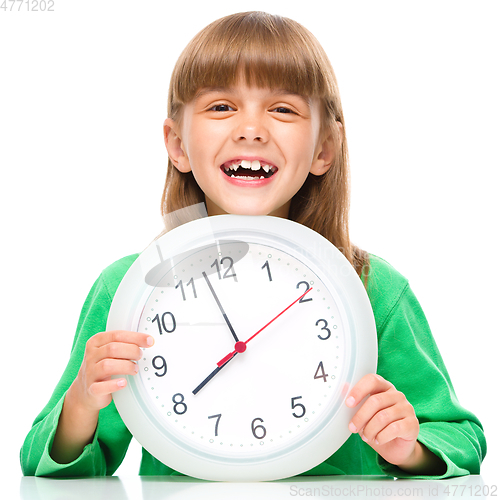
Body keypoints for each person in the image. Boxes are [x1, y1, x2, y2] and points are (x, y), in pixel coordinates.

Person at [20, 11, 485, 479]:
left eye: (282, 109)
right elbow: (49, 465)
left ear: (325, 147)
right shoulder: (131, 288)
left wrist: (408, 447)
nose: (251, 128)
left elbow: (459, 437)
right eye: (221, 107)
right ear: (177, 144)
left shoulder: (372, 288)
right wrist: (81, 401)